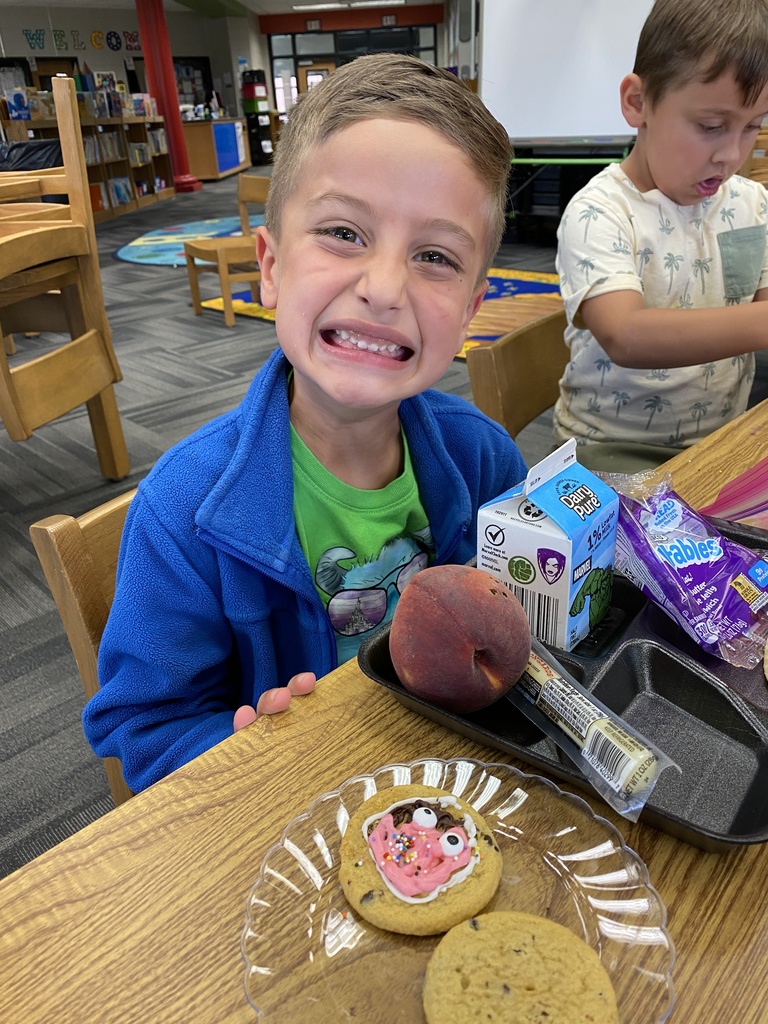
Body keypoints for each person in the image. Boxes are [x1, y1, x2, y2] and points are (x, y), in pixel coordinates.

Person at [82, 54, 528, 792]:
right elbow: (143, 726)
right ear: (271, 265)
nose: (383, 288)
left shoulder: (486, 461)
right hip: (286, 820)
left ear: (473, 308)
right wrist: (246, 755)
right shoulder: (181, 511)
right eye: (344, 234)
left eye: (435, 256)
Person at [555, 0, 768, 469]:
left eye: (753, 127)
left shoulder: (751, 204)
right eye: (711, 126)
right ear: (638, 102)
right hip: (609, 450)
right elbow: (626, 335)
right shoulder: (601, 211)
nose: (730, 155)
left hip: (722, 438)